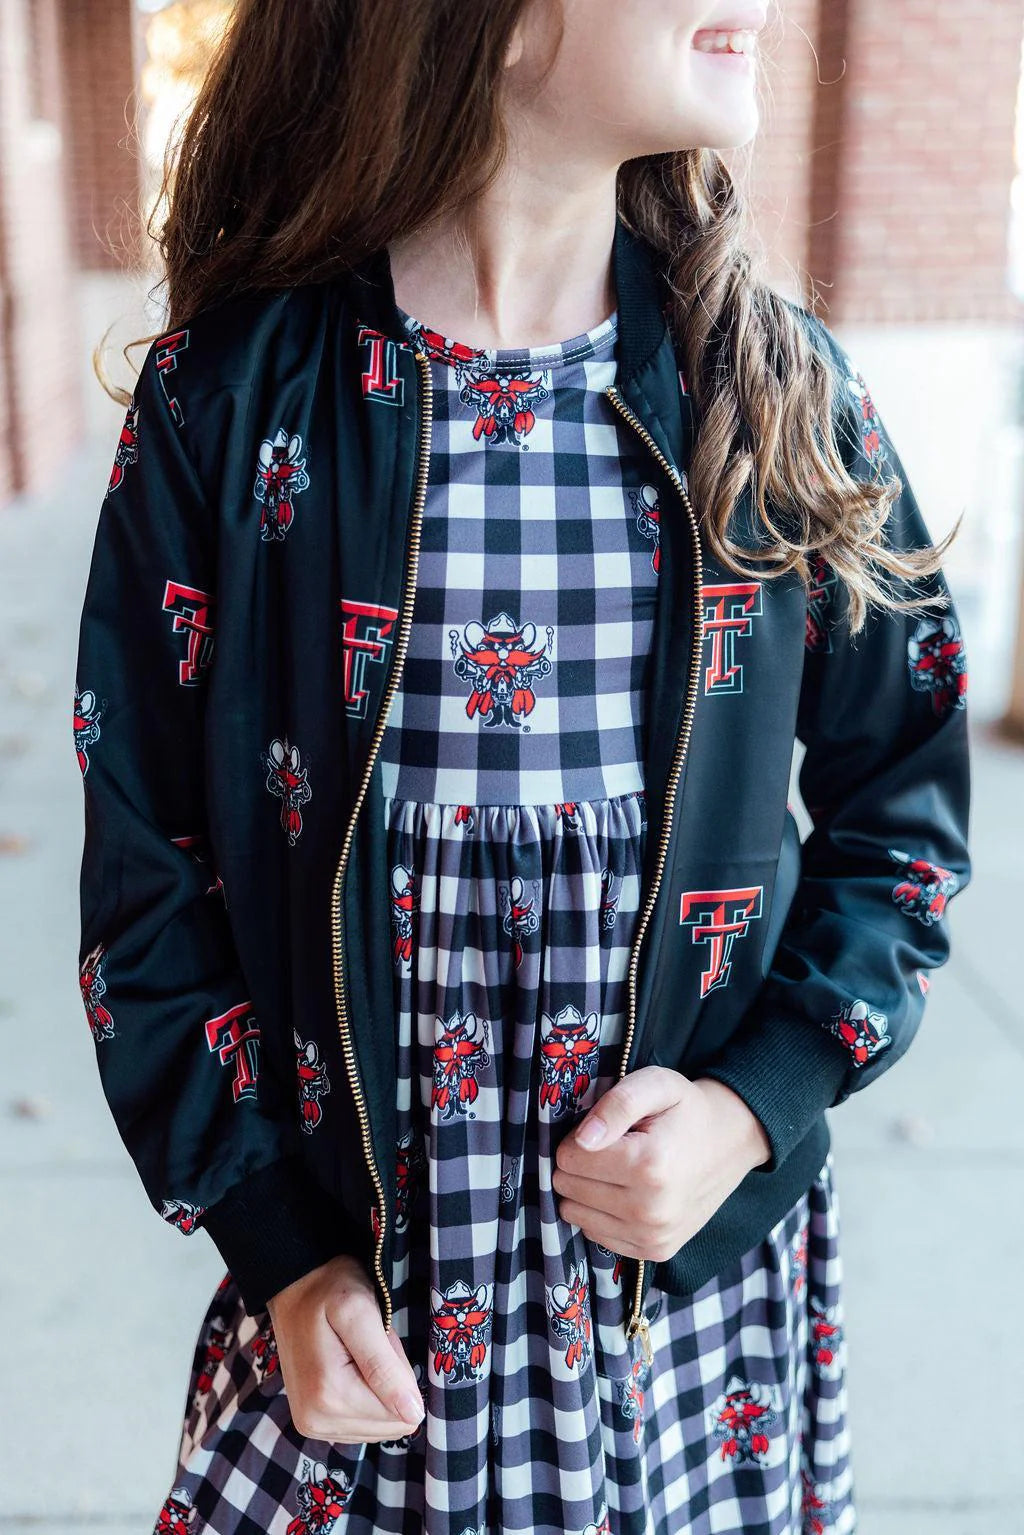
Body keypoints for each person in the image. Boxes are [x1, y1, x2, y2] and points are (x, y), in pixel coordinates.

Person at [73, 1, 972, 1532]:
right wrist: (282, 1250)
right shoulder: (232, 408)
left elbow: (904, 813)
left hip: (676, 1329)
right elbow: (145, 872)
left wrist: (754, 1106)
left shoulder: (774, 402)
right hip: (363, 1315)